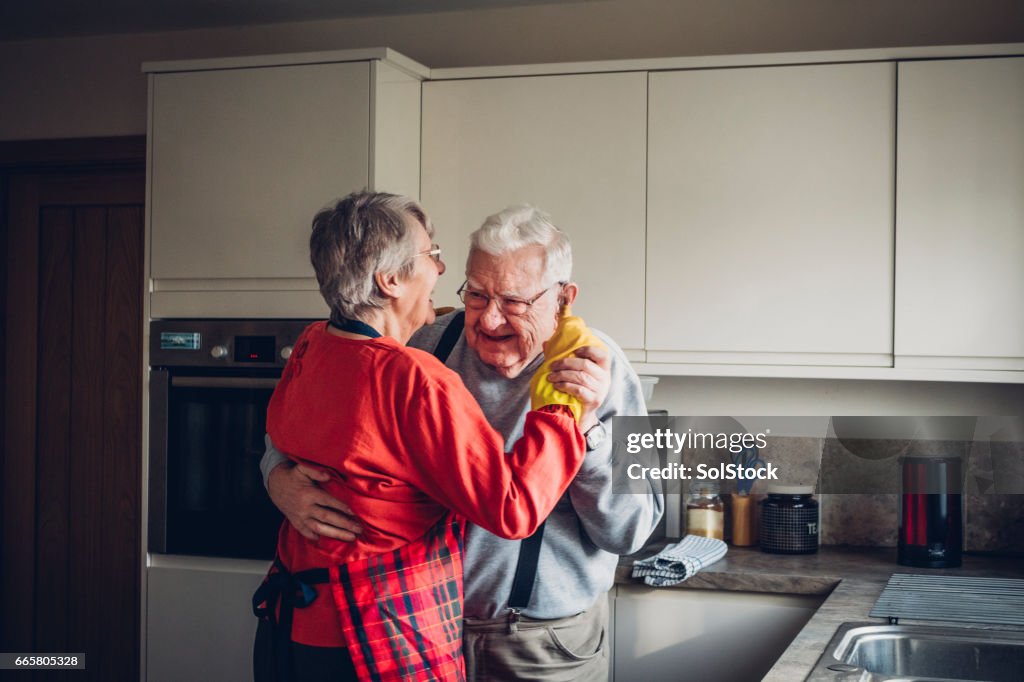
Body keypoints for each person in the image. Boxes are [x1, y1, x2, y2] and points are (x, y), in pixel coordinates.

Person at [263, 204, 663, 681]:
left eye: (513, 301)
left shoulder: (608, 369)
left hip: (541, 648)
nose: (490, 319)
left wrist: (589, 428)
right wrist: (277, 476)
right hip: (412, 633)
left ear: (562, 298)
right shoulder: (422, 344)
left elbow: (632, 532)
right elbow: (306, 425)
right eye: (476, 294)